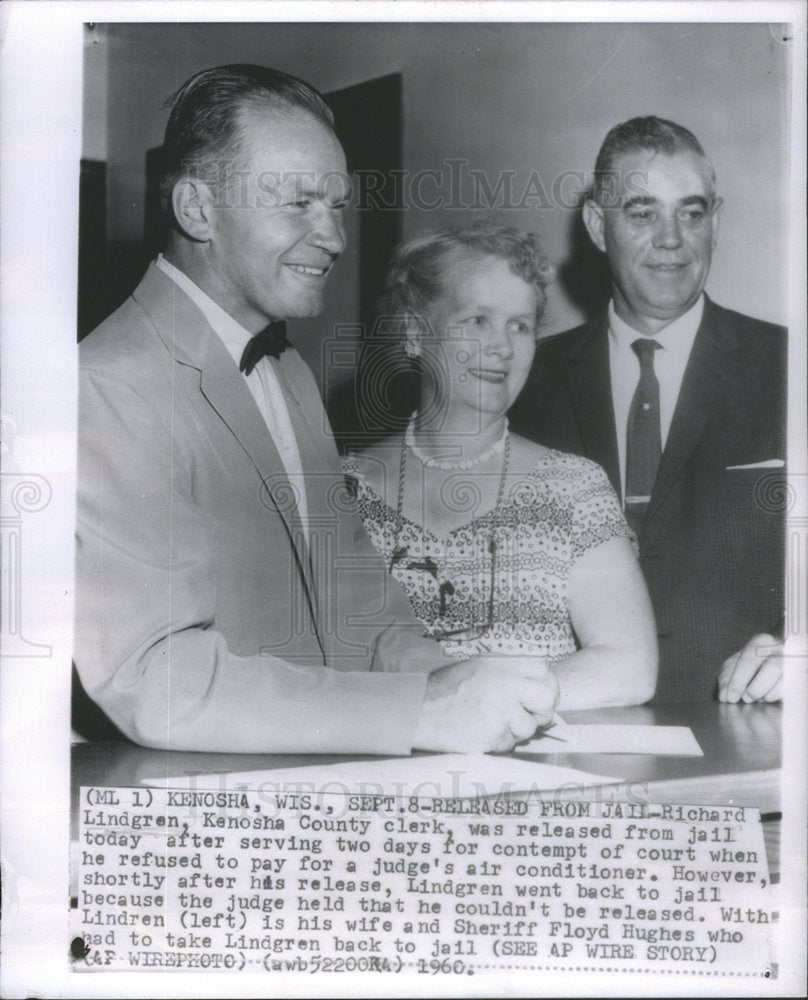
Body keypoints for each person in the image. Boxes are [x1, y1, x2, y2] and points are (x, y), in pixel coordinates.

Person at [75, 65, 559, 755]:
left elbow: (357, 613)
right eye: (298, 203)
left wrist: (462, 677)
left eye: (336, 205)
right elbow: (155, 679)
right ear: (197, 210)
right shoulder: (108, 384)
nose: (333, 236)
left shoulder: (289, 369)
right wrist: (421, 714)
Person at [510, 116, 786, 703]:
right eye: (642, 213)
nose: (671, 239)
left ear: (716, 222)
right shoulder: (524, 382)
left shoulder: (792, 367)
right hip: (564, 732)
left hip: (746, 730)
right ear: (597, 225)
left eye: (692, 212)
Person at [344, 221, 658, 711]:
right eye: (477, 320)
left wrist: (483, 701)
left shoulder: (572, 488)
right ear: (413, 332)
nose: (503, 348)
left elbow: (629, 666)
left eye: (521, 325)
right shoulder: (342, 489)